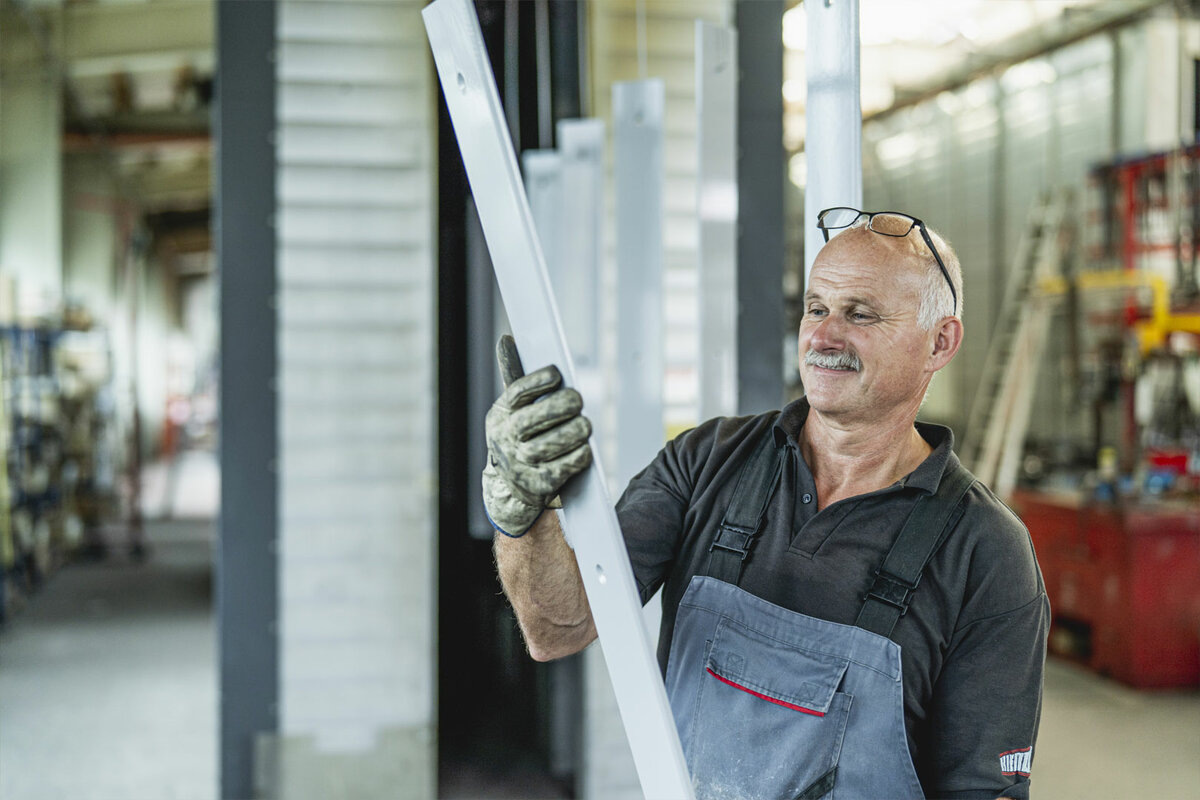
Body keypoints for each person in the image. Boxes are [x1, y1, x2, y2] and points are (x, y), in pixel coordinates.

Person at [482, 208, 1049, 800]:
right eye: (816, 308)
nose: (824, 337)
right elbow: (557, 627)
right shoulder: (709, 461)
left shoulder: (986, 552)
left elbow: (985, 792)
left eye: (861, 314)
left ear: (940, 341)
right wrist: (522, 513)